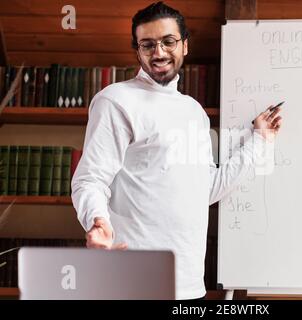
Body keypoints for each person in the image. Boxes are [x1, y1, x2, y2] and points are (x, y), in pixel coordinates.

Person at [71, 1, 282, 300]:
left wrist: (259, 139)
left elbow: (207, 189)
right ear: (138, 50)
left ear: (184, 46)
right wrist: (96, 220)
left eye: (168, 41)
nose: (158, 52)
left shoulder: (194, 112)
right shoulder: (116, 100)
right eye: (147, 44)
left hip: (188, 285)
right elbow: (90, 179)